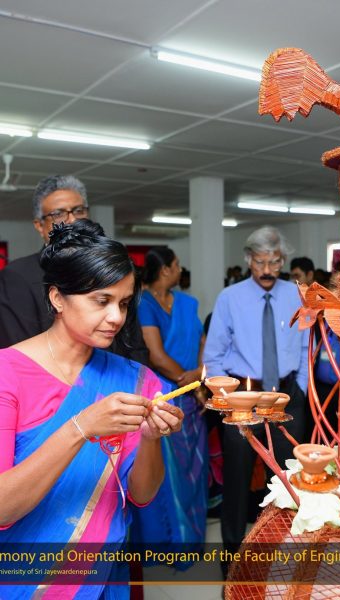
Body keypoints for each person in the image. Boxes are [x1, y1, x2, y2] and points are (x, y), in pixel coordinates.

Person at [0, 220, 184, 599]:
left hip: (102, 577)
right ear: (57, 298)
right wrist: (80, 427)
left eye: (124, 303)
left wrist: (150, 438)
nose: (116, 317)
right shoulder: (8, 374)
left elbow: (142, 495)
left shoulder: (136, 380)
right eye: (101, 301)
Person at [203, 226, 309, 574]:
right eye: (260, 262)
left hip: (286, 396)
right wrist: (229, 397)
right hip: (243, 398)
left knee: (288, 479)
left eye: (274, 262)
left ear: (283, 260)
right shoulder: (230, 298)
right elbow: (214, 355)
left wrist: (301, 388)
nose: (267, 270)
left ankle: (283, 557)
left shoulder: (297, 295)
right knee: (236, 480)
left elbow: (306, 346)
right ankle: (233, 563)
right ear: (248, 260)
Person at [0, 174, 149, 365]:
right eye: (58, 214)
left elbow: (135, 346)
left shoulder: (113, 269)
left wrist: (137, 380)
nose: (71, 220)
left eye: (78, 211)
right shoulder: (18, 275)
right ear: (39, 225)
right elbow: (19, 354)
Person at [135, 246, 208, 546]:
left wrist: (199, 378)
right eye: (177, 265)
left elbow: (202, 341)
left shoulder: (187, 303)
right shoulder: (144, 304)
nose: (180, 270)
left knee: (194, 467)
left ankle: (192, 537)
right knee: (167, 470)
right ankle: (171, 541)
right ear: (165, 269)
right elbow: (156, 355)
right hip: (163, 397)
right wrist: (189, 381)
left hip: (193, 395)